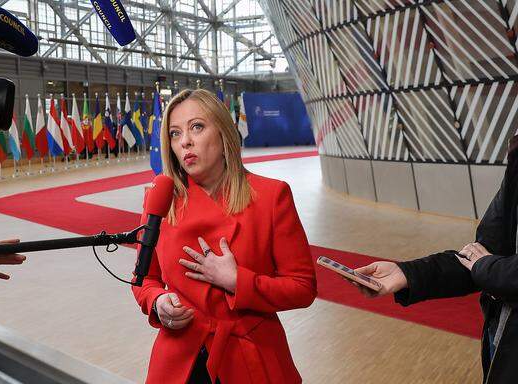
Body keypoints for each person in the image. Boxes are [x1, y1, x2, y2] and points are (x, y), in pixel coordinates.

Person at [132, 89, 317, 384]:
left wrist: (238, 281)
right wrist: (158, 302)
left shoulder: (271, 196)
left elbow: (302, 287)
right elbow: (144, 280)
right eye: (174, 133)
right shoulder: (160, 200)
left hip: (251, 358)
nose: (185, 142)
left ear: (223, 132)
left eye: (197, 127)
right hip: (179, 360)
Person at [350, 135, 518, 383]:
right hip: (503, 341)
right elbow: (478, 255)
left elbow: (486, 265)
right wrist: (407, 273)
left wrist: (487, 267)